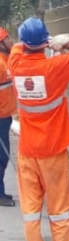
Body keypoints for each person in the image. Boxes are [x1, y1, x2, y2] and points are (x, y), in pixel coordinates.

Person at [8, 17, 69, 241]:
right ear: (45, 42)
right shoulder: (57, 66)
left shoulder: (15, 65)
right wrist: (64, 43)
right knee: (60, 211)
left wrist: (36, 42)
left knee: (31, 214)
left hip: (27, 151)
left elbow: (17, 48)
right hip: (53, 151)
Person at [0, 27, 17, 206]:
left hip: (4, 117)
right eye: (8, 38)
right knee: (1, 158)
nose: (11, 41)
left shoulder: (5, 60)